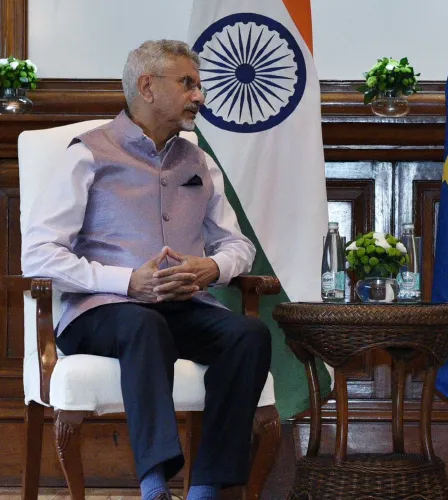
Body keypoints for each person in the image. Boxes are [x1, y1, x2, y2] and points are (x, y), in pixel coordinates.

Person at [21, 40, 271, 500]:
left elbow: (239, 245)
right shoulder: (87, 154)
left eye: (199, 85)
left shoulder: (200, 161)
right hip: (102, 312)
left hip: (183, 307)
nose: (200, 96)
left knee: (249, 335)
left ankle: (207, 488)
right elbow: (38, 255)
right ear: (147, 86)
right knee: (142, 321)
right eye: (188, 83)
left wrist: (211, 267)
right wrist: (126, 281)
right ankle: (155, 486)